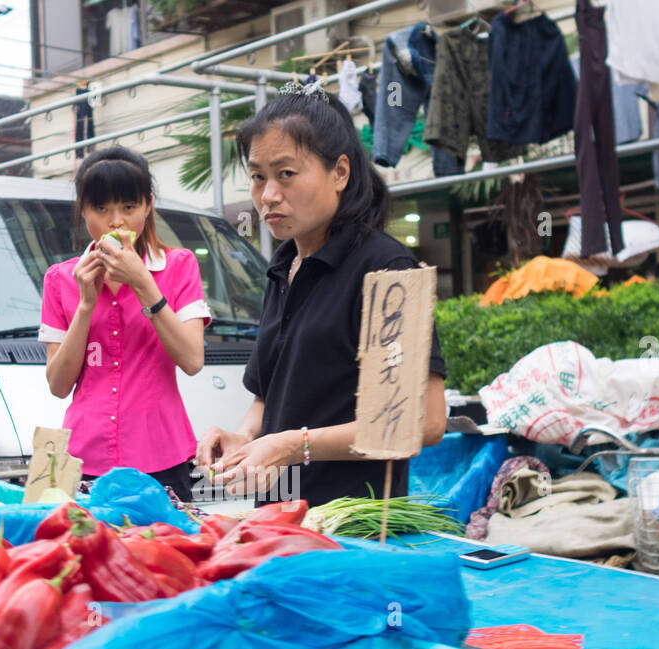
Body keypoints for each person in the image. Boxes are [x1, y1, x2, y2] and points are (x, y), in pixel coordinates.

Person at [196, 83, 448, 507]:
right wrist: (243, 438)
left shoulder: (387, 271)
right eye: (258, 177)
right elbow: (267, 398)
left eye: (286, 174)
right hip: (280, 521)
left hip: (354, 530)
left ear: (340, 173)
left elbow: (422, 421)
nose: (268, 196)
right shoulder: (282, 267)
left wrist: (295, 445)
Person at [40, 146, 211, 502]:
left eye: (128, 208)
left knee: (165, 553)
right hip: (82, 459)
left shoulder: (179, 266)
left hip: (163, 457)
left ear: (148, 206)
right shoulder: (61, 278)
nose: (115, 221)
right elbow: (58, 385)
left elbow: (192, 360)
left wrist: (143, 283)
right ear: (83, 210)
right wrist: (87, 303)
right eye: (101, 209)